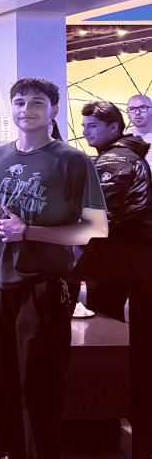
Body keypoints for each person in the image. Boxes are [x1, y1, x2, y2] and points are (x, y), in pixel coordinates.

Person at [0, 78, 107, 459]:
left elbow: (95, 228)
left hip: (46, 286)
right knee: (4, 380)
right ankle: (15, 455)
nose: (27, 108)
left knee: (40, 386)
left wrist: (30, 232)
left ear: (53, 110)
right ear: (11, 109)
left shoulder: (72, 161)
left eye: (37, 102)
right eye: (20, 101)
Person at [80, 100, 152, 321]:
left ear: (113, 127)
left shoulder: (113, 160)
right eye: (84, 126)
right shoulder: (129, 154)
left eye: (92, 126)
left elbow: (102, 215)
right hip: (136, 251)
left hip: (115, 253)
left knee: (104, 322)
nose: (84, 132)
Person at [126, 93, 152, 168]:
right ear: (128, 114)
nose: (137, 112)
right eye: (132, 109)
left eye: (143, 107)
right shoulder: (122, 140)